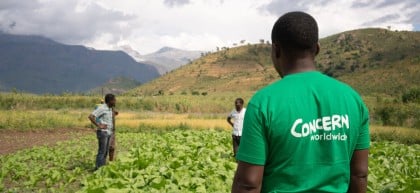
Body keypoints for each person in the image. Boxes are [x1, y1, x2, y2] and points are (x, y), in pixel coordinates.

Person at [232, 12, 370, 193]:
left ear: (276, 50)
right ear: (317, 49)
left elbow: (248, 184)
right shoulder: (352, 100)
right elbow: (359, 174)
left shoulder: (263, 103)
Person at [88, 94, 116, 170]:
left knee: (105, 152)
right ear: (110, 101)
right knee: (102, 151)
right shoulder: (102, 108)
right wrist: (99, 125)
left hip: (108, 132)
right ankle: (98, 168)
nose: (115, 101)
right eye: (114, 100)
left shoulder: (110, 108)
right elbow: (91, 116)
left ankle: (102, 168)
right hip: (103, 132)